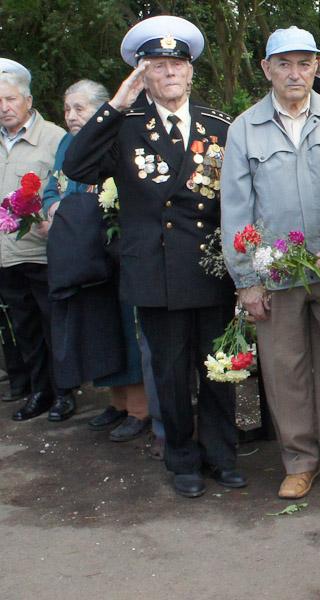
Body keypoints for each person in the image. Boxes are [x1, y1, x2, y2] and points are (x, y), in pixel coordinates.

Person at [63, 15, 243, 498]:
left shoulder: (218, 125)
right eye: (158, 66)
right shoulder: (125, 128)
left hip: (209, 268)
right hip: (155, 272)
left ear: (190, 72)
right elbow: (76, 164)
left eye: (177, 65)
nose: (170, 74)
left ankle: (222, 455)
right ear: (142, 75)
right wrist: (115, 106)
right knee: (168, 372)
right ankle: (182, 458)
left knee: (219, 368)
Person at [221, 26, 320, 500]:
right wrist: (248, 280)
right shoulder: (244, 128)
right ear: (266, 69)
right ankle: (299, 461)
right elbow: (236, 210)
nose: (294, 73)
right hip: (276, 274)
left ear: (317, 68)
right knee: (285, 370)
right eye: (283, 63)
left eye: (304, 63)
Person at [42, 79, 161, 444]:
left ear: (101, 108)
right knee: (98, 328)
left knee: (127, 328)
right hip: (82, 254)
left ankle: (140, 408)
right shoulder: (67, 144)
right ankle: (118, 402)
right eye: (67, 109)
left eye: (80, 108)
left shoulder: (116, 134)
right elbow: (52, 186)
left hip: (115, 251)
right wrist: (51, 208)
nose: (72, 116)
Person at [0, 58, 67, 422]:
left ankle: (64, 393)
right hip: (6, 254)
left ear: (28, 101)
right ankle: (39, 391)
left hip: (42, 253)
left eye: (10, 99)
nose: (5, 107)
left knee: (53, 324)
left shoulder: (54, 138)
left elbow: (67, 189)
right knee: (23, 326)